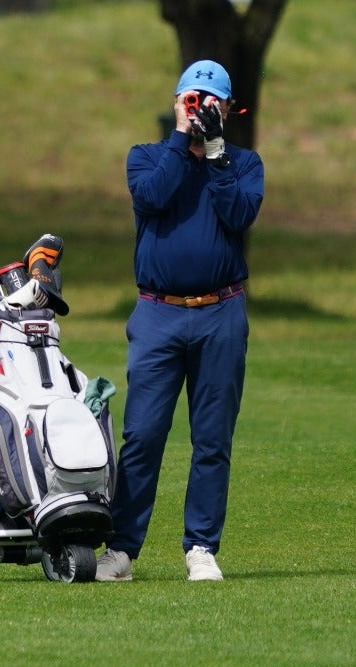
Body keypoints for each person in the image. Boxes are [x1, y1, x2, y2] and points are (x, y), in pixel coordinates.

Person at [96, 60, 264, 582]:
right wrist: (181, 138)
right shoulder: (146, 158)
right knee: (143, 434)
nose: (199, 112)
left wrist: (215, 156)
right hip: (157, 314)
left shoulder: (243, 163)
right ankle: (122, 549)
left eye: (207, 104)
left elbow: (239, 215)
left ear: (229, 110)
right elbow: (152, 196)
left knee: (211, 438)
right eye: (191, 102)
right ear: (176, 104)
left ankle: (201, 548)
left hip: (222, 312)